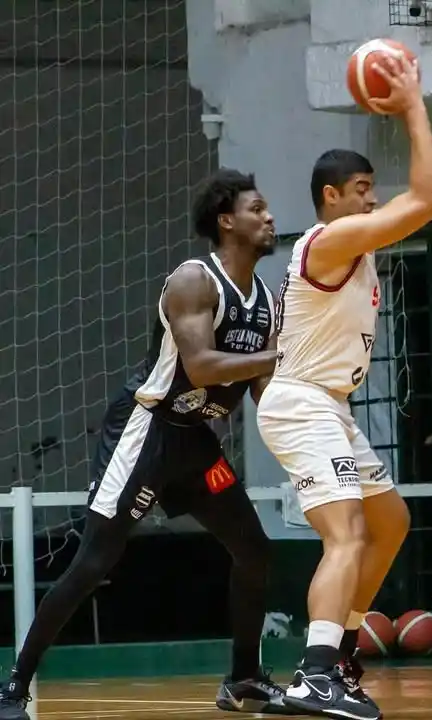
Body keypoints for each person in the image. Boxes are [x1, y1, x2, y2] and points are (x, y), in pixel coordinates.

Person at [0, 169, 289, 719]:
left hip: (194, 442)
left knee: (254, 548)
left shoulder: (266, 303)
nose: (270, 216)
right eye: (258, 208)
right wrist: (281, 356)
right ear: (227, 221)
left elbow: (263, 391)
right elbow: (201, 366)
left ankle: (243, 678)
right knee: (93, 562)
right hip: (146, 428)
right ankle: (14, 685)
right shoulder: (193, 280)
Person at [256, 52, 432, 720]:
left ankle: (337, 648)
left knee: (388, 520)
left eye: (374, 187)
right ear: (333, 198)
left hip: (328, 406)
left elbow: (426, 199)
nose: (372, 197)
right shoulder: (330, 241)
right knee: (346, 535)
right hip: (301, 400)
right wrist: (410, 106)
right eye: (363, 187)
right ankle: (315, 673)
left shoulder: (356, 250)